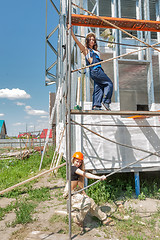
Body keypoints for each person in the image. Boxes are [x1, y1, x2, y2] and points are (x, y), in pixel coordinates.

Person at [63, 151, 113, 229]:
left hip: (76, 191)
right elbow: (85, 174)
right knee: (87, 202)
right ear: (73, 160)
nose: (78, 163)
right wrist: (99, 177)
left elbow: (79, 184)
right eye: (77, 161)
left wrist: (83, 193)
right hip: (70, 193)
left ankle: (104, 218)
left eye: (80, 162)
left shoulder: (77, 170)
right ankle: (78, 219)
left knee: (91, 201)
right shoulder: (73, 168)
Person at [70, 26, 113, 111]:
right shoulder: (87, 51)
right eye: (90, 39)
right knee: (109, 83)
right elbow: (77, 42)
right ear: (87, 41)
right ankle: (106, 101)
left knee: (99, 88)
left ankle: (96, 106)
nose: (92, 41)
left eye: (93, 40)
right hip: (96, 70)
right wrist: (71, 31)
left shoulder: (97, 51)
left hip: (97, 71)